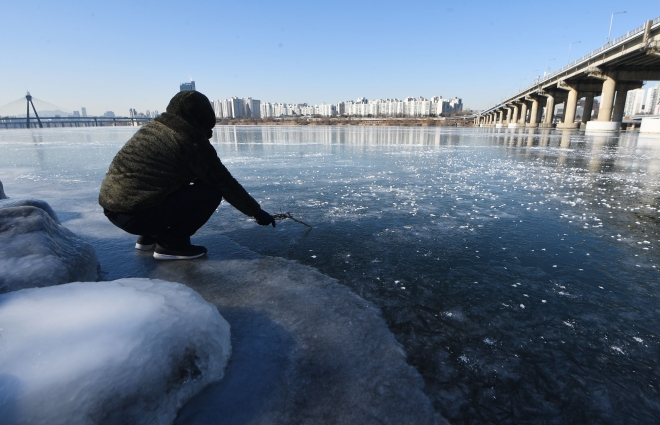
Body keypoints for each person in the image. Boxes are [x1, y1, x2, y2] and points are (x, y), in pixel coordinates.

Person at [99, 90, 275, 260]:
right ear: (204, 116)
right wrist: (257, 212)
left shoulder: (155, 128)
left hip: (114, 210)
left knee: (171, 183)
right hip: (137, 215)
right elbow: (223, 182)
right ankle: (171, 244)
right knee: (211, 192)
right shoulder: (189, 139)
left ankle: (149, 237)